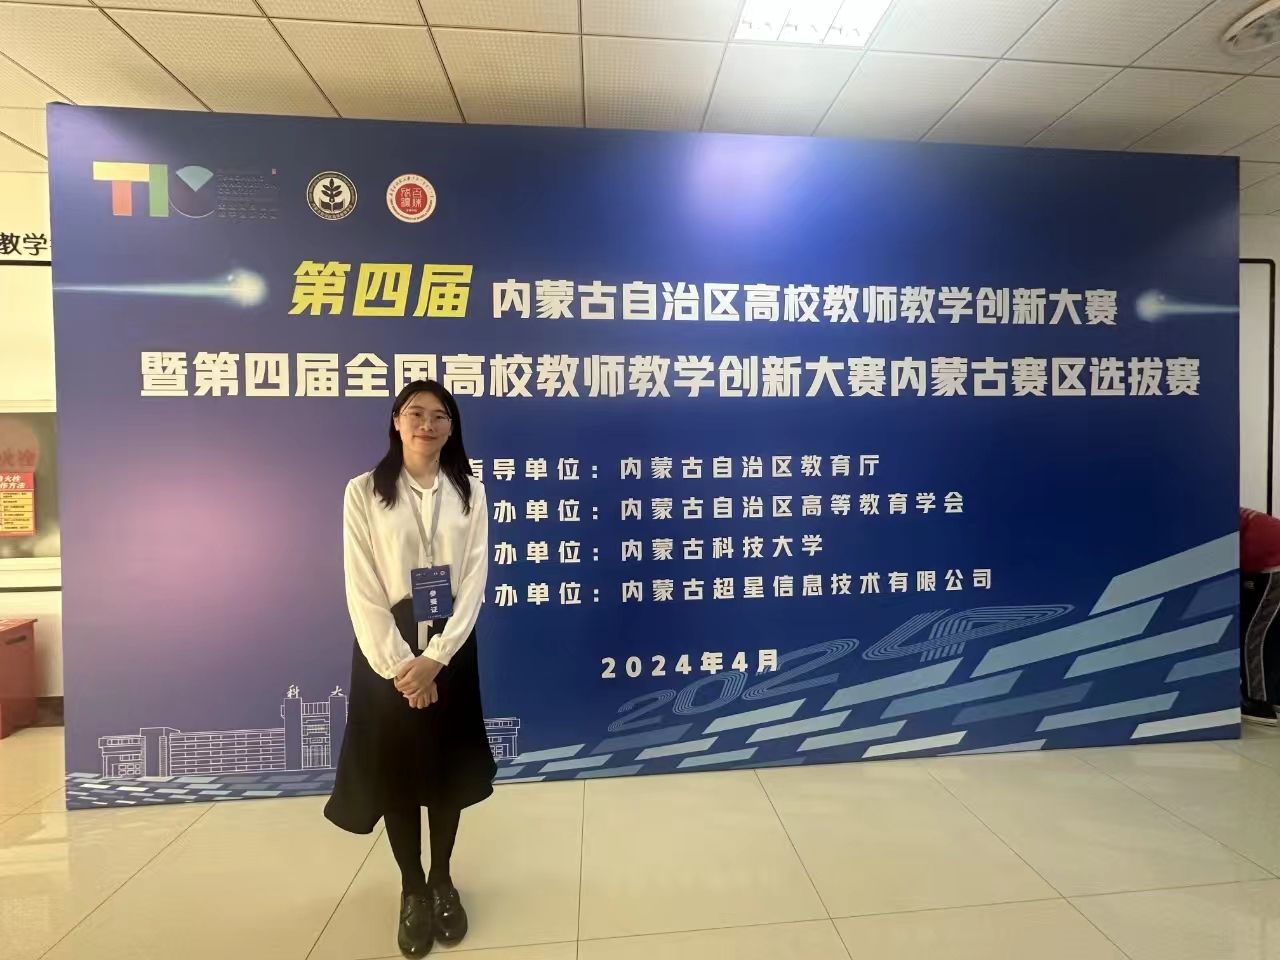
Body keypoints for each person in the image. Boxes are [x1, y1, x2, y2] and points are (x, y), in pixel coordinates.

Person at [324, 380, 495, 959]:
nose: (427, 424)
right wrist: (402, 667)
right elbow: (361, 584)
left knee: (446, 771)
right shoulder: (363, 491)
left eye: (440, 416)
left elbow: (473, 579)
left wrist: (437, 659)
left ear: (452, 427)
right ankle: (412, 889)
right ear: (396, 421)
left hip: (451, 644)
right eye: (415, 413)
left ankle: (442, 879)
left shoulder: (469, 490)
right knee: (397, 774)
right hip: (386, 649)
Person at [1239, 507, 1280, 725]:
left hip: (1274, 566)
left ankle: (1257, 702)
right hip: (1271, 561)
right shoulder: (1236, 512)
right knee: (1274, 636)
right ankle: (1274, 696)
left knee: (1254, 636)